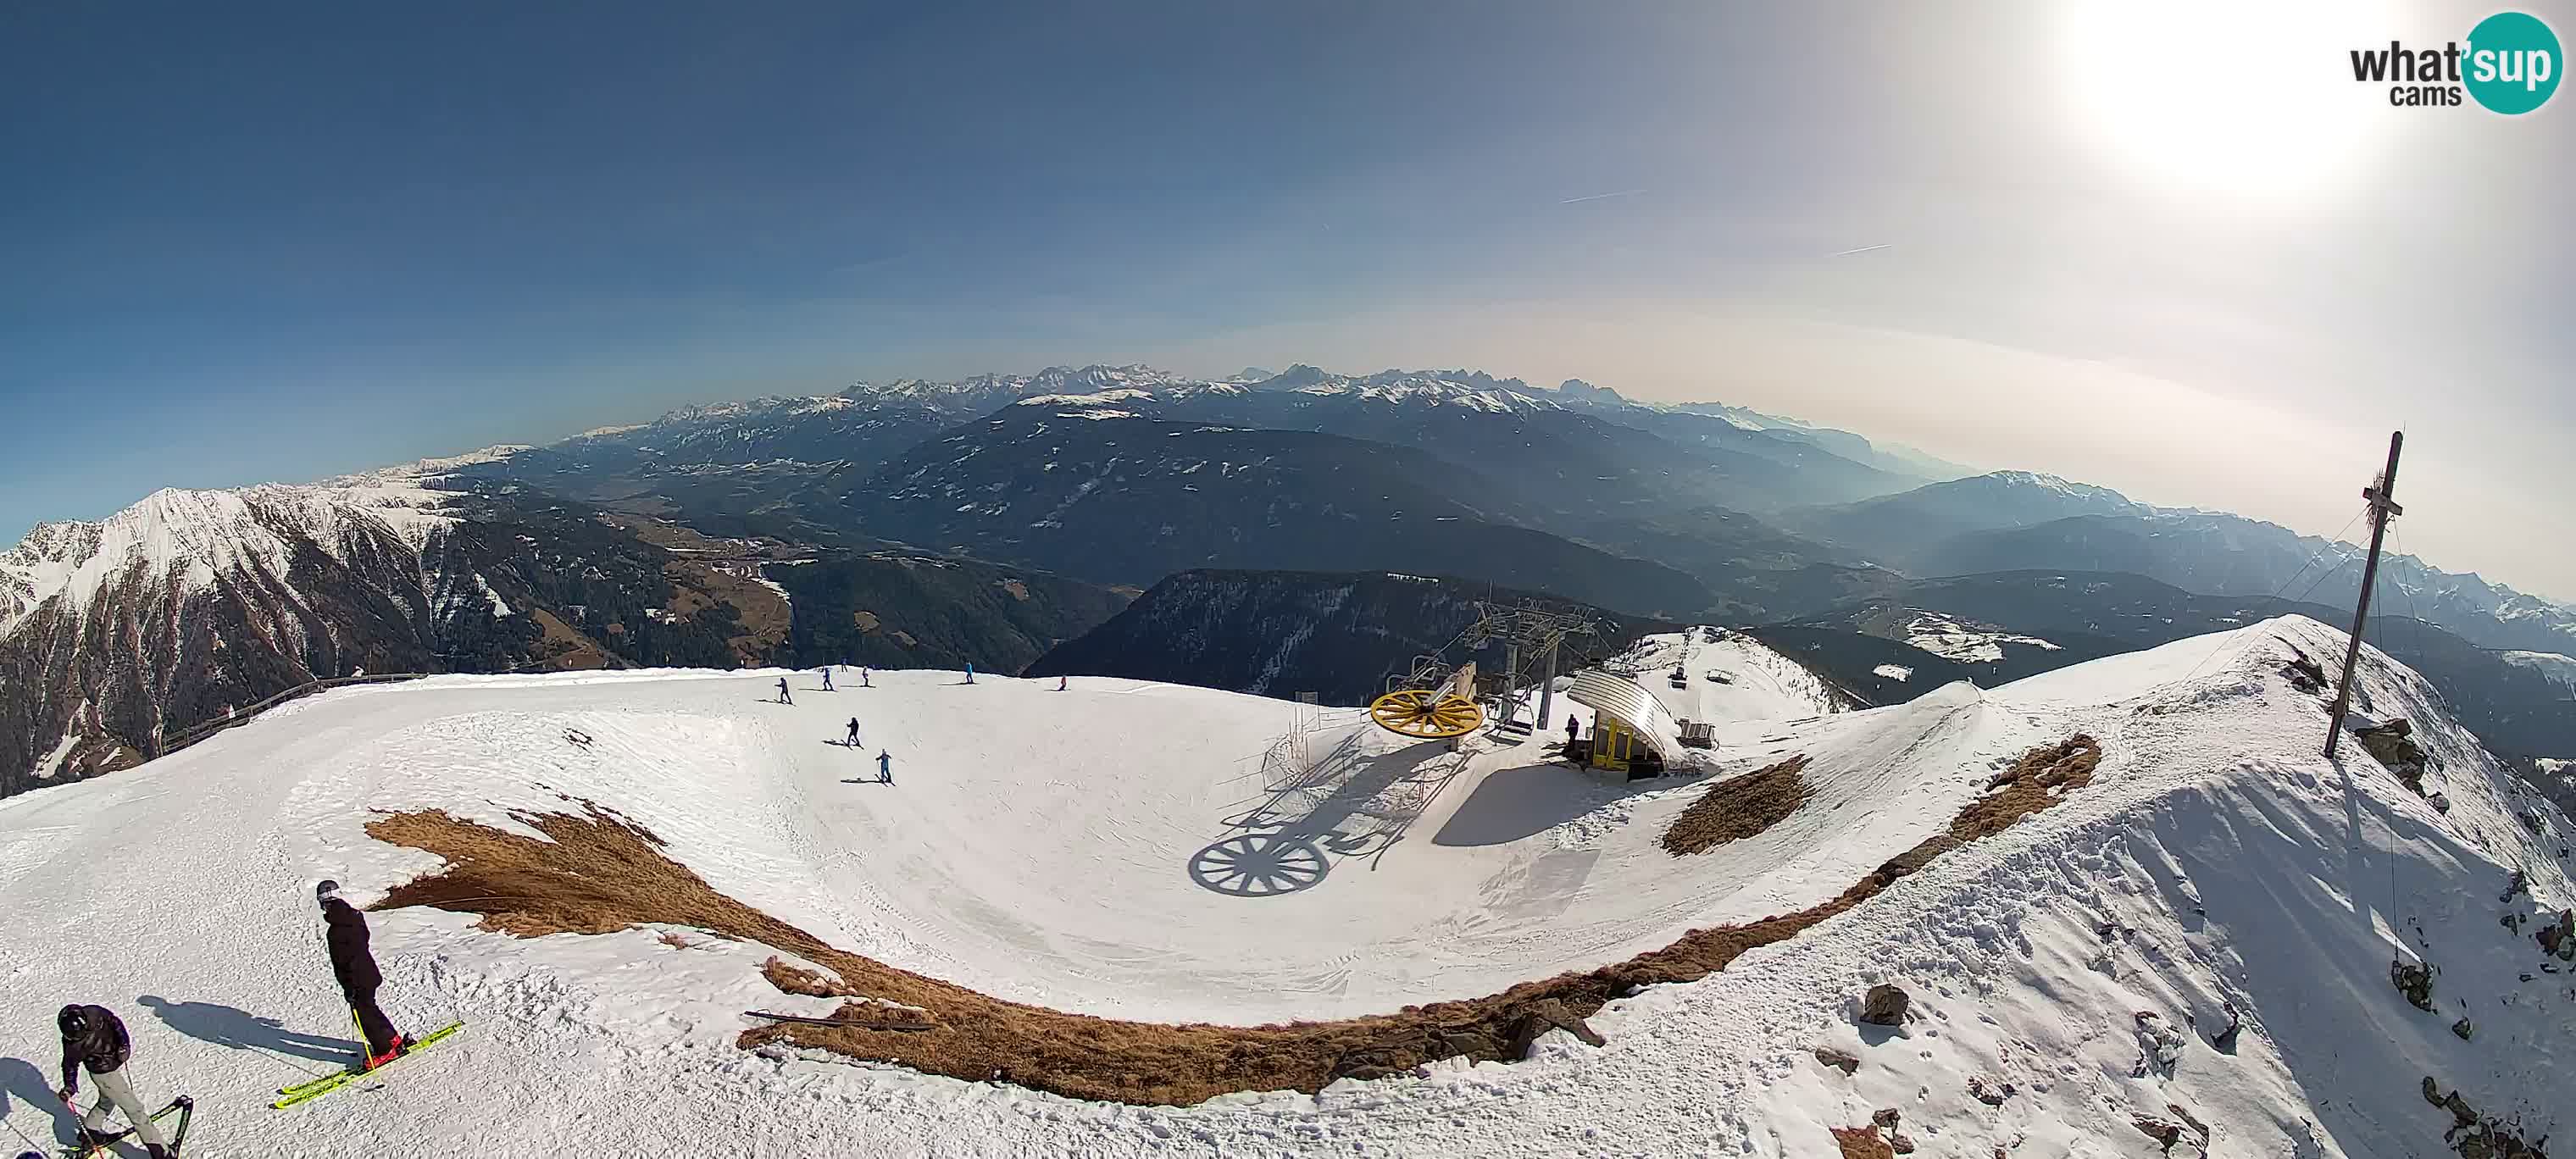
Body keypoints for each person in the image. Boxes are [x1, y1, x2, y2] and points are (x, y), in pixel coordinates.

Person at [56, 1004, 171, 1158]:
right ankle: (161, 1152)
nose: (77, 1039)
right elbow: (69, 1065)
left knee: (106, 1102)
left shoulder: (95, 1013)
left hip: (112, 1063)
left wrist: (124, 1045)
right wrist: (70, 1086)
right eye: (72, 1037)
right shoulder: (73, 1044)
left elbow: (115, 1023)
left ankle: (90, 1132)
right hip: (104, 1074)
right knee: (135, 1110)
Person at [317, 881, 409, 1068]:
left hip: (358, 979)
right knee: (370, 1008)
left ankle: (385, 1050)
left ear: (323, 903)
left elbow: (348, 960)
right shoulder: (354, 917)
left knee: (363, 1014)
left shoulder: (336, 931)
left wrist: (350, 986)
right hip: (369, 973)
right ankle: (393, 1039)